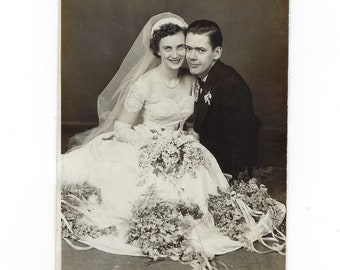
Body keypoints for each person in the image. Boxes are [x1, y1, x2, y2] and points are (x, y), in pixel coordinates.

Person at [60, 13, 285, 269]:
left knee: (198, 190)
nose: (177, 54)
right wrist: (152, 146)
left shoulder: (193, 79)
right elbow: (122, 127)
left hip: (180, 144)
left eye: (182, 47)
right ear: (157, 50)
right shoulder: (143, 84)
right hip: (144, 143)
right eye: (168, 48)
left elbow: (196, 119)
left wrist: (186, 137)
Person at [185, 20, 261, 179]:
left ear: (217, 53)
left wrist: (231, 177)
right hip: (206, 155)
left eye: (200, 50)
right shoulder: (203, 74)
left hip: (225, 168)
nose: (191, 57)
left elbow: (243, 139)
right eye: (188, 48)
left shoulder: (230, 85)